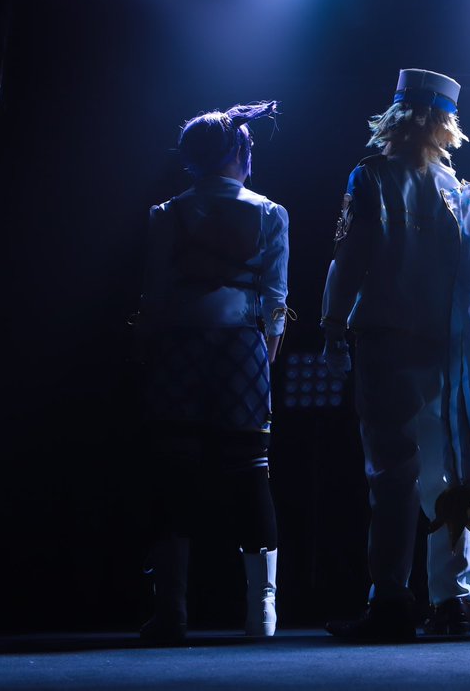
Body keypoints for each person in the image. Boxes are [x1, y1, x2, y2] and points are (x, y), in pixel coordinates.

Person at [321, 69, 470, 641]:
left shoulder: (372, 178)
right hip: (450, 351)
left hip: (387, 339)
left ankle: (390, 599)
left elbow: (349, 259)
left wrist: (333, 326)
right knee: (447, 472)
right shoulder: (469, 195)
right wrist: (467, 321)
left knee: (391, 473)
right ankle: (453, 601)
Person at [135, 101, 291, 643]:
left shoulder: (166, 214)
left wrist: (147, 351)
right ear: (240, 152)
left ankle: (170, 611)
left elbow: (154, 295)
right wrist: (265, 356)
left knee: (173, 473)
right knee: (251, 470)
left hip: (178, 346)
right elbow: (275, 300)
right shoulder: (270, 213)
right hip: (242, 347)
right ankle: (261, 611)